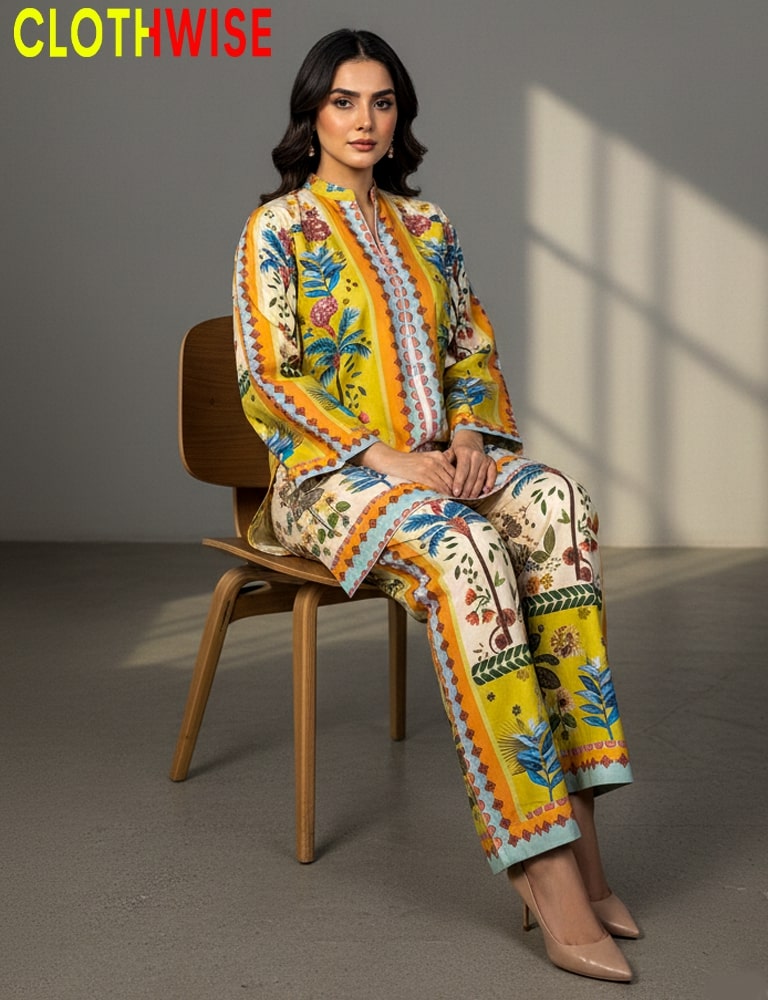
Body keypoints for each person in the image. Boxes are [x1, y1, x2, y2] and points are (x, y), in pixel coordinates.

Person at [233, 28, 637, 982]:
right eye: (343, 101)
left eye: (381, 102)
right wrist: (384, 458)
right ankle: (539, 858)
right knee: (466, 551)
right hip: (328, 482)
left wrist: (467, 439)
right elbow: (267, 379)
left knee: (555, 503)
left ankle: (582, 824)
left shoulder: (429, 226)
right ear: (312, 114)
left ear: (399, 115)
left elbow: (470, 350)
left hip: (440, 464)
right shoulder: (276, 230)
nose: (364, 120)